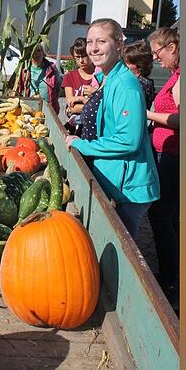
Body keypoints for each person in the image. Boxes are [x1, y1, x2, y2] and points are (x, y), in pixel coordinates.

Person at [65, 18, 159, 234]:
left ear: (118, 44)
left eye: (101, 41)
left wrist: (84, 145)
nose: (93, 48)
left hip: (127, 187)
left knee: (122, 252)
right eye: (89, 42)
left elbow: (129, 140)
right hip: (115, 180)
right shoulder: (109, 78)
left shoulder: (125, 86)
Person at [145, 27, 180, 310]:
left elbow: (182, 119)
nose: (157, 59)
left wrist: (150, 115)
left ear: (173, 47)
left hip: (173, 156)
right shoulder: (176, 76)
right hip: (167, 153)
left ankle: (170, 279)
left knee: (161, 216)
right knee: (169, 217)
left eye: (158, 52)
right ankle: (173, 275)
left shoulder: (182, 78)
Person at [62, 37, 99, 134]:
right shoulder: (70, 76)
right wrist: (83, 99)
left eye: (84, 56)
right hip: (75, 129)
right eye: (77, 57)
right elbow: (70, 105)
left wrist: (78, 103)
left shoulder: (99, 75)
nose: (81, 60)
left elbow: (102, 106)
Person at [14, 44, 61, 115]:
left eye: (39, 51)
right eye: (33, 52)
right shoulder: (24, 70)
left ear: (43, 52)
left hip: (48, 109)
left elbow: (58, 87)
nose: (37, 54)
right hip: (29, 109)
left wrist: (54, 101)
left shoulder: (51, 69)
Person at [121, 40, 156, 105]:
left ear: (139, 64)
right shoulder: (138, 81)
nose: (124, 65)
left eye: (128, 62)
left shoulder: (141, 84)